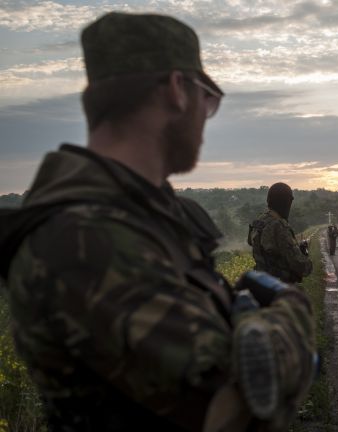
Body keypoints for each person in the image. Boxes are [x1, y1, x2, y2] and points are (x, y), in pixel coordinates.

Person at [0, 12, 315, 432]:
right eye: (209, 99)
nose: (207, 116)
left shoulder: (144, 218)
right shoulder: (87, 238)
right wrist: (291, 311)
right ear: (176, 89)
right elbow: (239, 404)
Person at [248, 183, 313, 284]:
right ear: (286, 202)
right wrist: (306, 260)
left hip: (260, 282)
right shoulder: (279, 226)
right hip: (279, 285)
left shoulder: (259, 221)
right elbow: (300, 265)